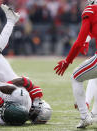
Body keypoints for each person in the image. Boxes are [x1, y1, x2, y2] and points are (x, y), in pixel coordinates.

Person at [54, 0, 97, 128]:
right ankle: (94, 112)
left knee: (76, 76)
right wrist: (88, 40)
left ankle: (85, 116)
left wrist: (67, 61)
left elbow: (79, 42)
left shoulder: (91, 10)